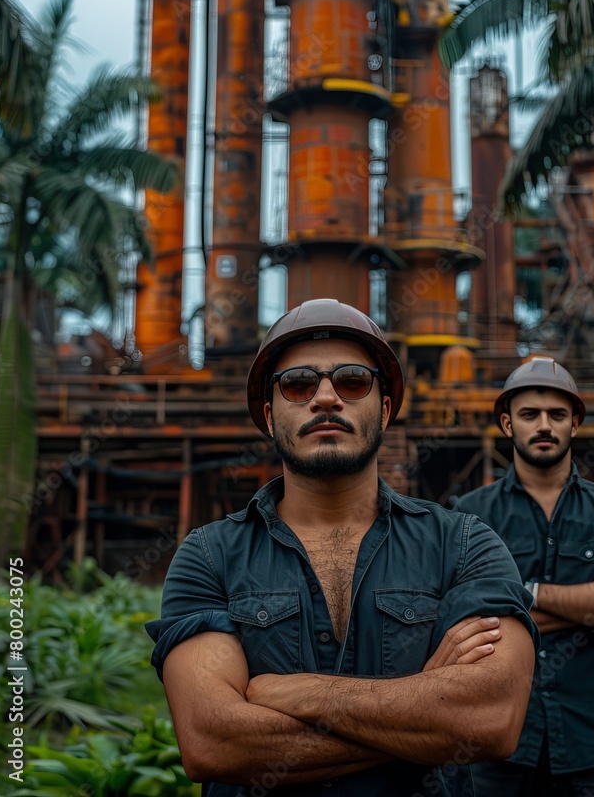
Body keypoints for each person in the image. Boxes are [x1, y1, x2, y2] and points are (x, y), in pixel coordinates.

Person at [146, 299, 537, 797]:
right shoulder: (209, 556)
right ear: (270, 416)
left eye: (353, 381)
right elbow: (213, 742)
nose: (326, 398)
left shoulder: (463, 545)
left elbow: (492, 718)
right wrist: (425, 712)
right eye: (298, 384)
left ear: (387, 408)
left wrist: (288, 693)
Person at [453, 357, 594, 797]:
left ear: (575, 424)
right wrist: (593, 607)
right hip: (499, 743)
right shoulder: (471, 514)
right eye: (529, 415)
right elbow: (465, 623)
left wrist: (525, 595)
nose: (544, 426)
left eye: (557, 415)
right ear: (507, 424)